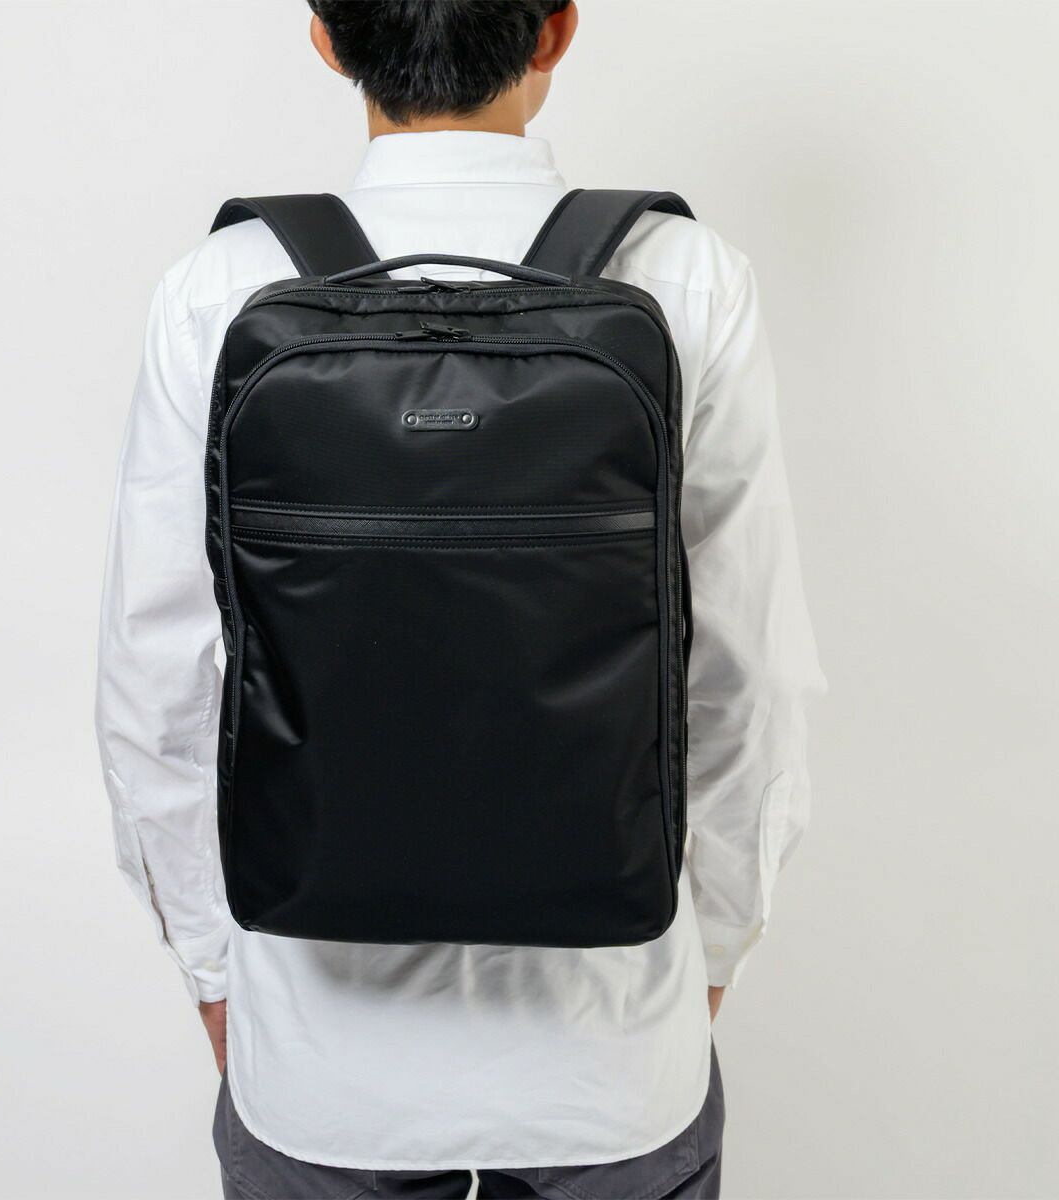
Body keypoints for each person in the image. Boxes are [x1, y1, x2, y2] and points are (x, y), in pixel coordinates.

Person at [94, 2, 826, 1196]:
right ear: (556, 30)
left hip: (319, 1065)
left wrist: (221, 983)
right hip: (612, 1062)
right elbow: (751, 673)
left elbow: (155, 681)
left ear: (327, 37)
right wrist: (702, 968)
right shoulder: (688, 277)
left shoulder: (219, 286)